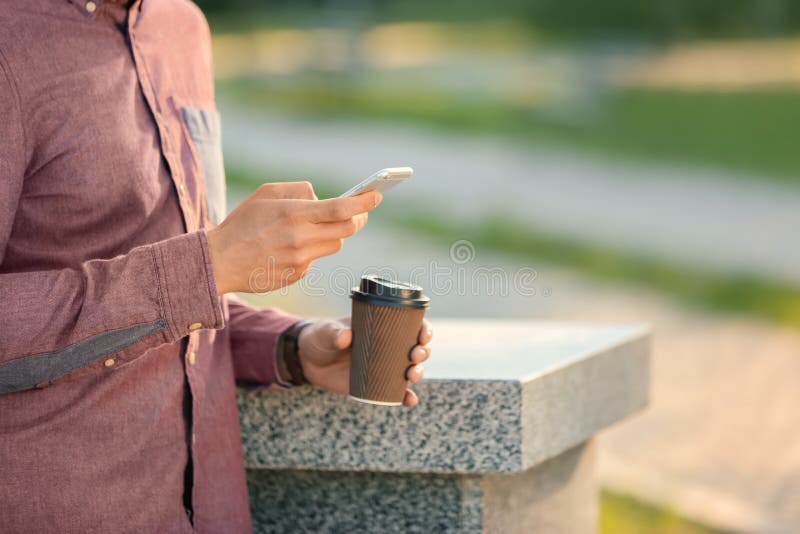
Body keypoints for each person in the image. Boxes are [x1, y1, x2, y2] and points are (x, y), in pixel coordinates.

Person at [0, 0, 433, 532]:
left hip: (214, 510)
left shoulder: (183, 28)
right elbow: (191, 273)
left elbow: (185, 290)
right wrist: (206, 265)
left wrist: (293, 349)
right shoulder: (11, 41)